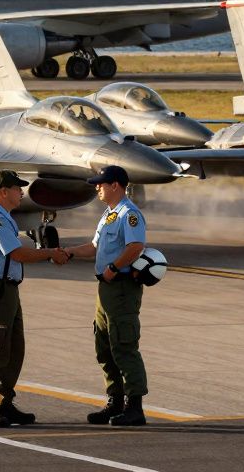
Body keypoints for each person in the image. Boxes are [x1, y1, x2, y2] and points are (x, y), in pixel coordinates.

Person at [0, 169, 69, 428]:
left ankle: (5, 403)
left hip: (9, 289)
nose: (21, 192)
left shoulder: (6, 218)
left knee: (14, 349)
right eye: (17, 188)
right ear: (3, 192)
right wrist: (50, 253)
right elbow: (16, 254)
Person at [62, 165, 149, 426]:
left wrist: (113, 268)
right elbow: (94, 247)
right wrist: (68, 251)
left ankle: (135, 407)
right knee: (104, 345)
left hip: (121, 288)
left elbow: (136, 246)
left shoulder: (129, 215)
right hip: (106, 289)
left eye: (101, 183)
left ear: (116, 185)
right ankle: (115, 401)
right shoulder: (109, 215)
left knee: (123, 345)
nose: (97, 187)